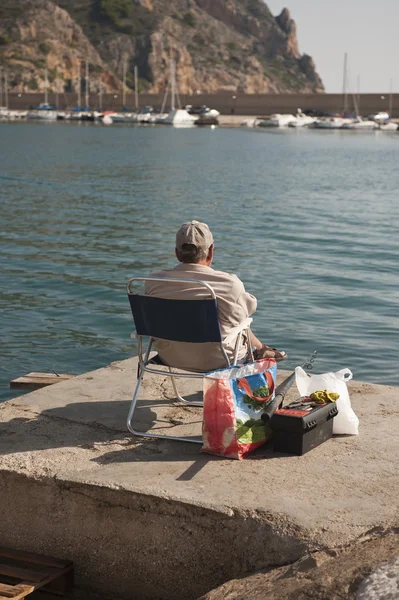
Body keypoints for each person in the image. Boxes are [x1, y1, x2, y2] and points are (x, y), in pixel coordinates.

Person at [145, 220, 287, 372]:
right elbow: (246, 312)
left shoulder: (153, 282)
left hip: (170, 358)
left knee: (228, 317)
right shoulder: (228, 284)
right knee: (238, 320)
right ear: (211, 251)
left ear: (177, 253)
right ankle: (261, 349)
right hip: (218, 362)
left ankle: (261, 348)